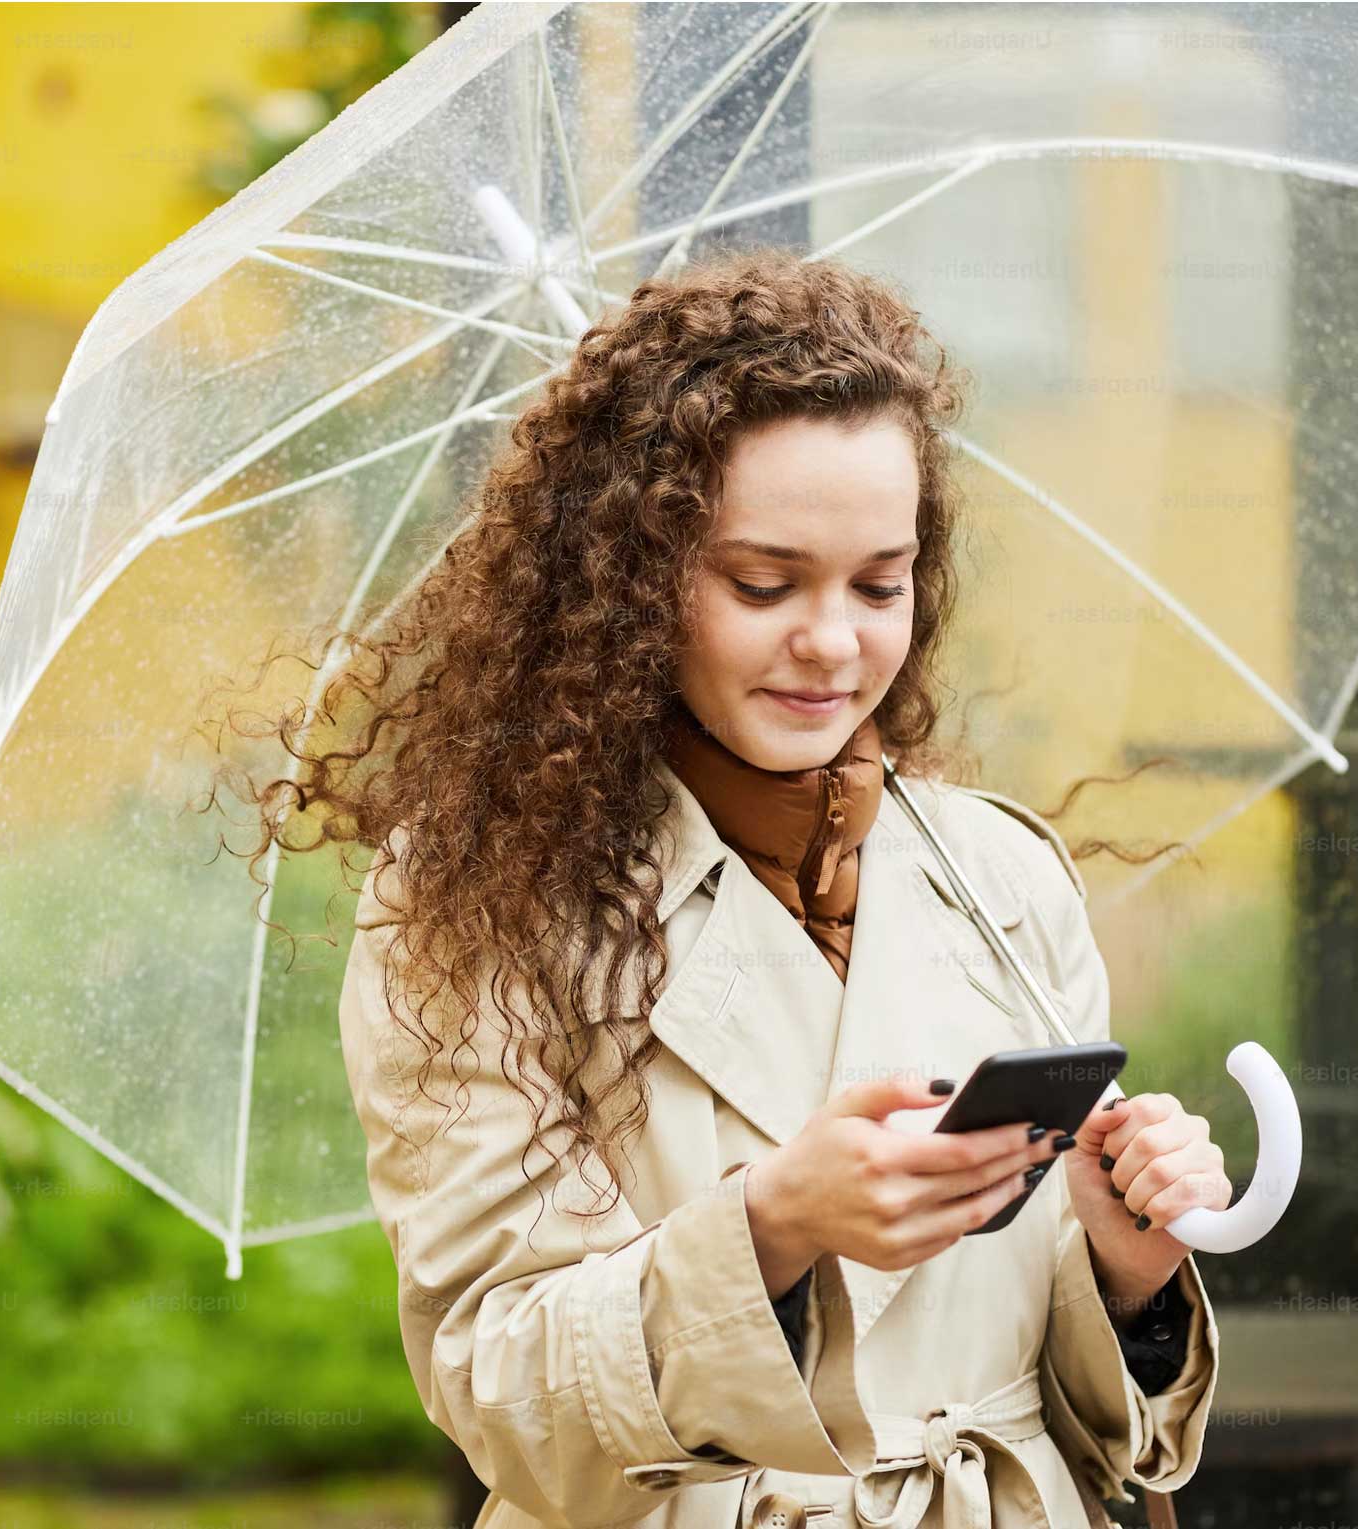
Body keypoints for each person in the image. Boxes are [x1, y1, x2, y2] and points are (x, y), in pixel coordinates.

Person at [235, 246, 1228, 1528]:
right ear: (635, 579)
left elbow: (1057, 1400)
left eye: (881, 582)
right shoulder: (477, 904)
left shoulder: (1002, 875)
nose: (833, 640)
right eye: (764, 583)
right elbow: (504, 1389)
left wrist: (1127, 1265)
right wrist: (769, 1225)